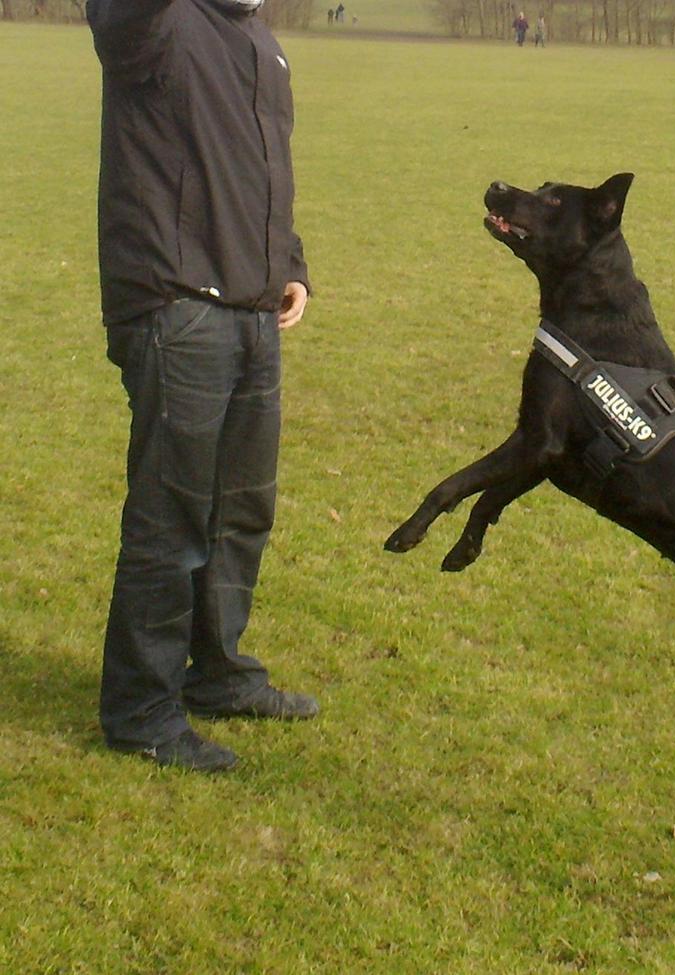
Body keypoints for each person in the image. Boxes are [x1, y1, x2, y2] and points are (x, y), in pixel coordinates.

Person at [87, 0, 318, 772]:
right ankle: (142, 710)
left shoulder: (259, 41)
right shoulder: (156, 23)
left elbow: (260, 172)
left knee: (241, 510)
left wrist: (290, 265)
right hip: (175, 303)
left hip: (252, 311)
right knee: (171, 518)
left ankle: (218, 674)